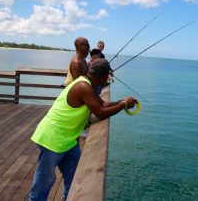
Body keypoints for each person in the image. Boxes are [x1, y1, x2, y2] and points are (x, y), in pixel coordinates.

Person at [29, 59, 137, 201]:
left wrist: (120, 102)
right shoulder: (83, 86)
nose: (109, 78)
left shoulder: (87, 83)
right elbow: (100, 112)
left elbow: (102, 104)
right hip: (53, 138)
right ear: (103, 76)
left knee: (75, 177)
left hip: (69, 140)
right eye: (108, 75)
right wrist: (123, 105)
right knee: (45, 180)